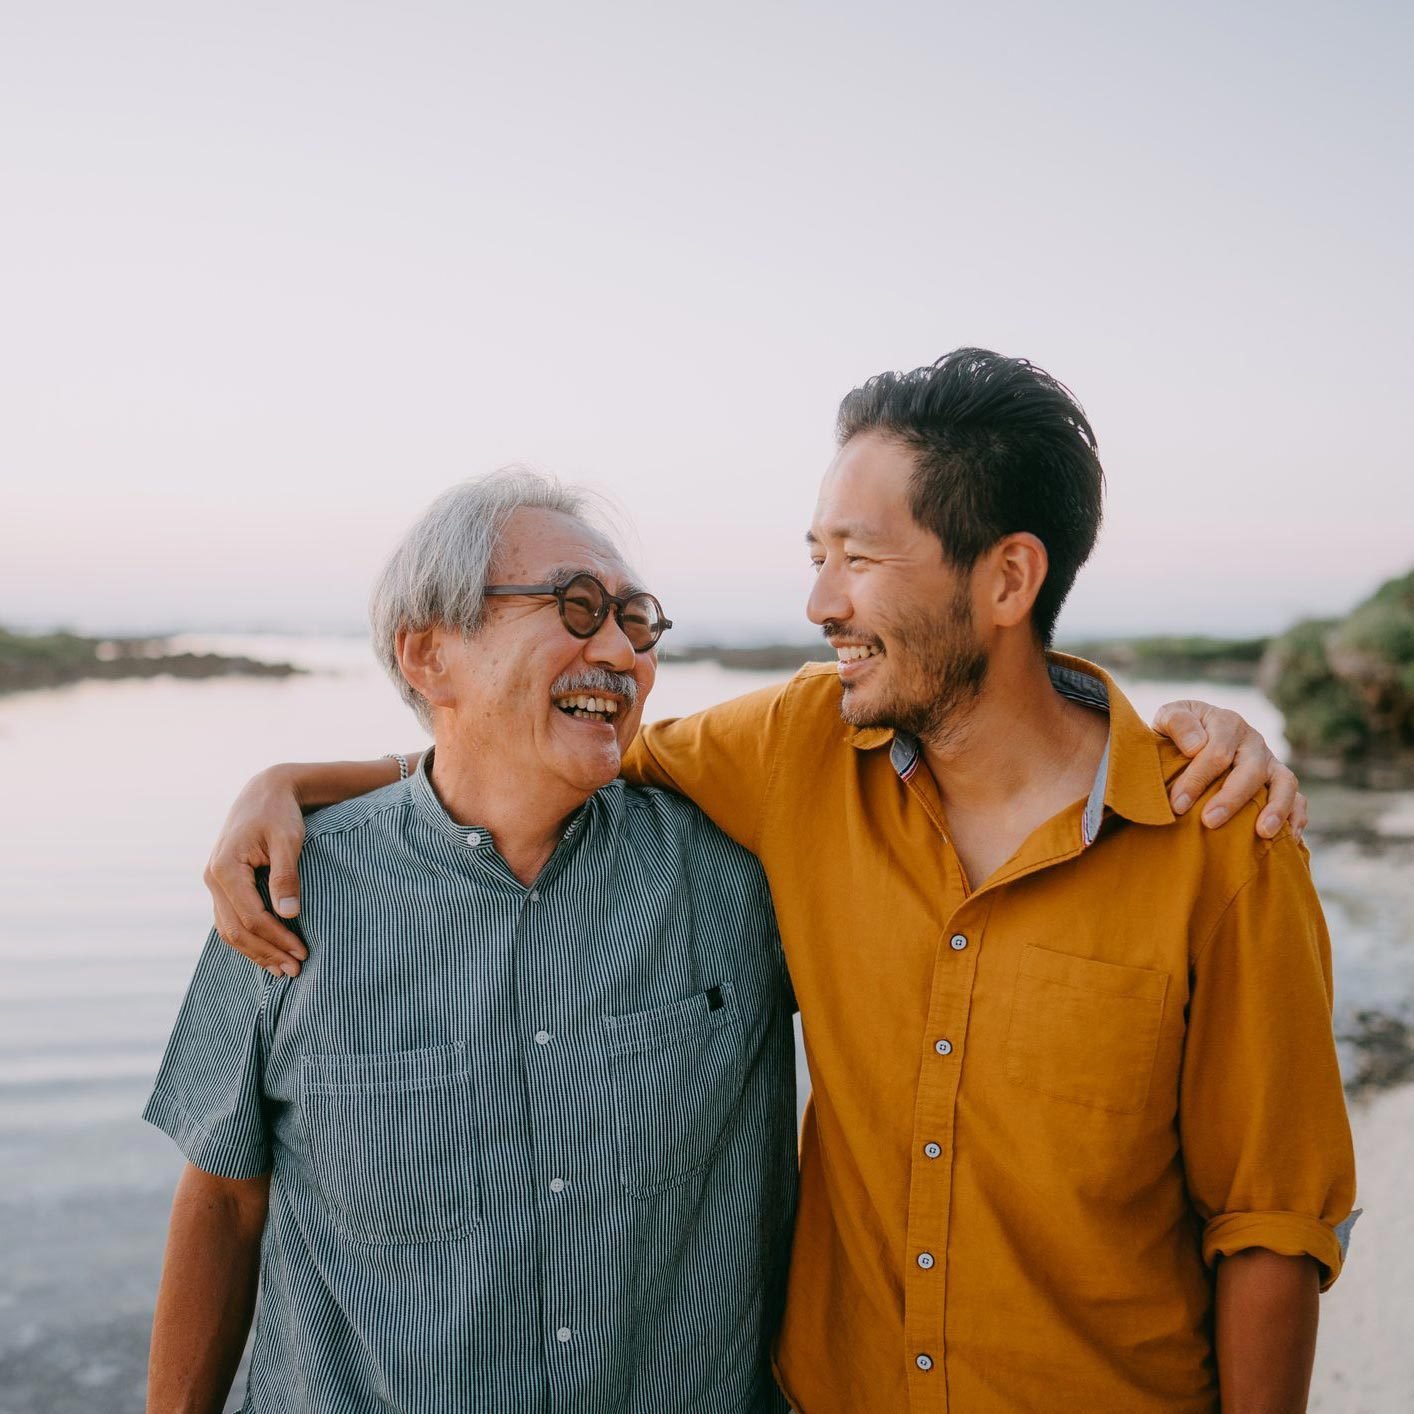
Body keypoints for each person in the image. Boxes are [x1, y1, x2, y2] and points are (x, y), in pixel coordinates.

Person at [205, 350, 1344, 1413]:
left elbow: (1269, 1229)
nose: (820, 604)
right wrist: (301, 780)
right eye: (816, 558)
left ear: (1006, 578)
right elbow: (539, 751)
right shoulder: (796, 747)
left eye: (857, 558)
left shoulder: (1222, 838)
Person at [144, 474, 798, 1414]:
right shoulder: (287, 893)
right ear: (428, 655)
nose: (620, 650)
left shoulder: (740, 880)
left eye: (636, 619)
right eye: (575, 608)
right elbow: (223, 1201)